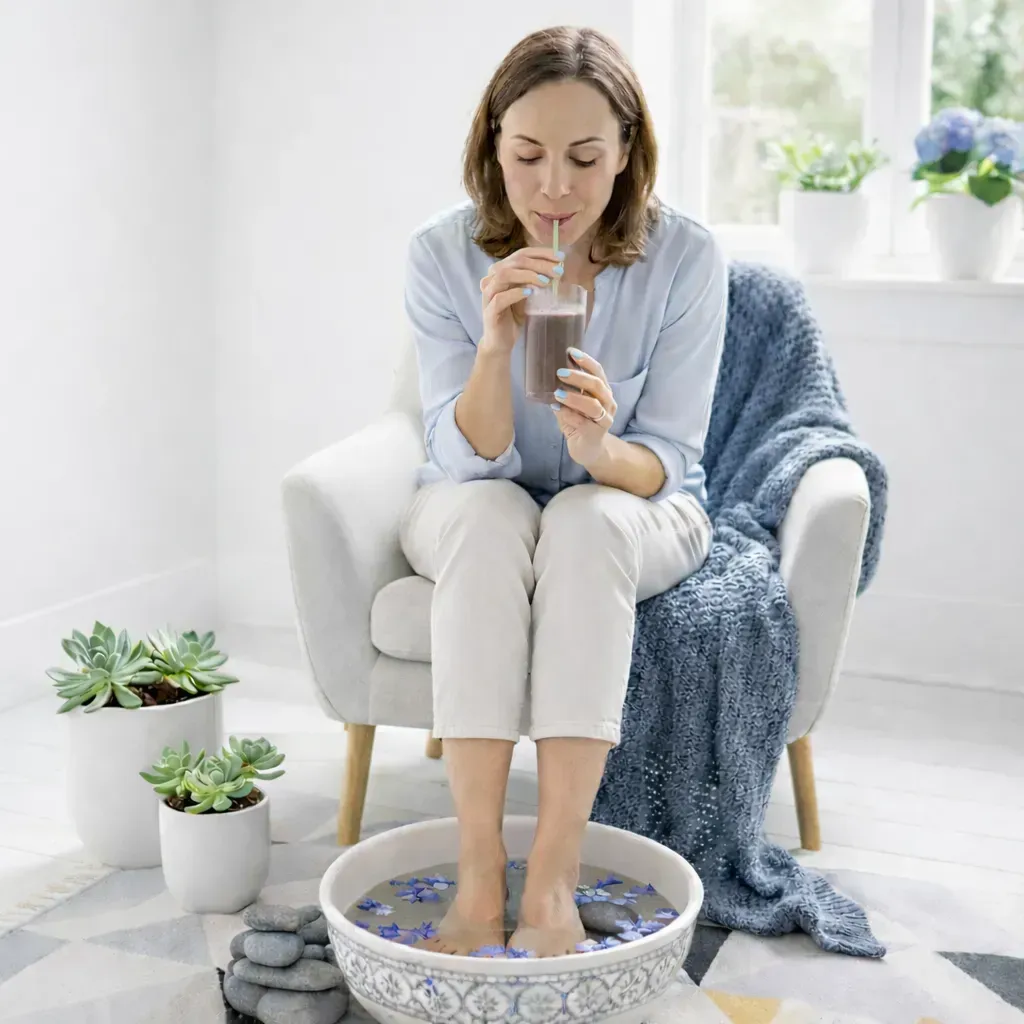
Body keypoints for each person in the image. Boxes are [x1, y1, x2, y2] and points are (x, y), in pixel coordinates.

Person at [402, 25, 727, 958]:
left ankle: (552, 874)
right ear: (492, 146)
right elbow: (461, 460)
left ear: (626, 154)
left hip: (634, 505)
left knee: (585, 522)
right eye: (527, 155)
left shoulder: (686, 258)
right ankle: (477, 870)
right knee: (485, 515)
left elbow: (670, 459)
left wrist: (599, 448)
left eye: (585, 159)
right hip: (473, 495)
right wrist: (495, 348)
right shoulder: (440, 253)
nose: (554, 187)